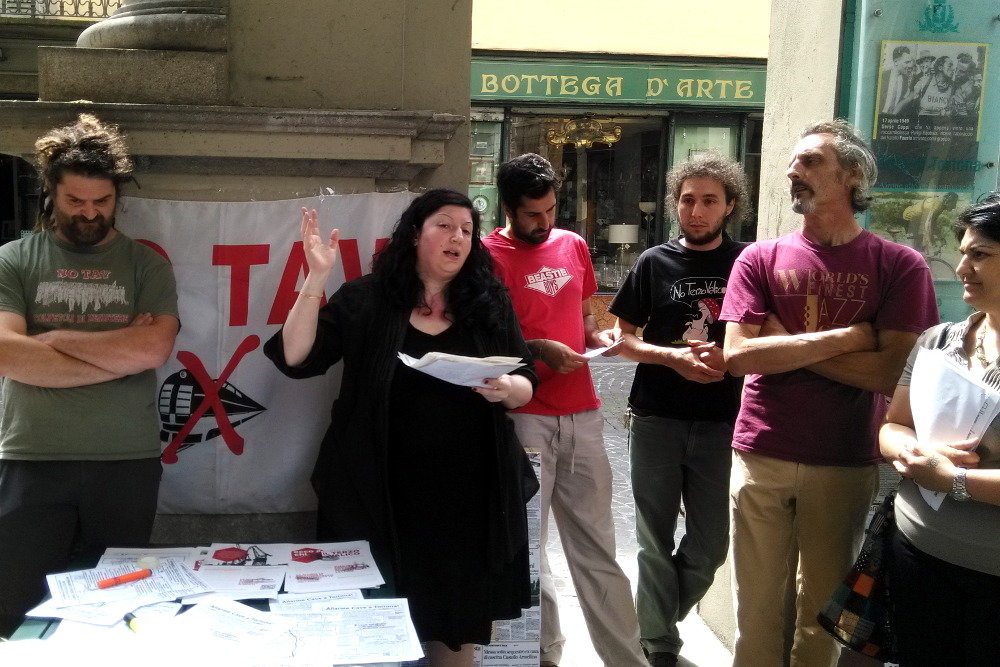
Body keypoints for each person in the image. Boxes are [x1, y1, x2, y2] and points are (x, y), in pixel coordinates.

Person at [263, 189, 538, 667]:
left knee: (453, 629)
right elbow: (295, 355)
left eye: (468, 231)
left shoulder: (486, 301)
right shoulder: (368, 298)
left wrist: (508, 387)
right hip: (375, 493)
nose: (458, 237)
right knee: (370, 628)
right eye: (445, 225)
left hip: (465, 499)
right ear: (415, 233)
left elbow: (526, 379)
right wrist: (316, 278)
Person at [719, 119, 938, 666]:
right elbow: (738, 357)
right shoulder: (759, 259)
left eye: (811, 161)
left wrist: (787, 344)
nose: (793, 171)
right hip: (761, 452)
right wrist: (847, 337)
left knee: (822, 617)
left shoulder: (898, 265)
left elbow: (892, 373)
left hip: (843, 459)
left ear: (853, 174)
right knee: (757, 615)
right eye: (794, 161)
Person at [0, 114, 180, 637]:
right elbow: (8, 357)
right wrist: (112, 353)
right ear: (51, 193)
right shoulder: (14, 259)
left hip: (126, 463)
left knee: (119, 613)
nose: (89, 213)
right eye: (75, 201)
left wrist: (54, 339)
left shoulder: (147, 266)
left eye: (101, 203)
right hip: (31, 458)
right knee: (17, 609)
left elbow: (153, 349)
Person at [483, 153, 645, 667]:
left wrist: (603, 340)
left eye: (551, 210)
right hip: (523, 416)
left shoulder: (573, 245)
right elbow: (484, 342)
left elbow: (581, 317)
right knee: (529, 549)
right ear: (509, 207)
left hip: (584, 413)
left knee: (599, 550)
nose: (545, 222)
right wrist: (540, 349)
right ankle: (544, 654)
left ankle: (626, 659)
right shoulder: (485, 256)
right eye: (533, 214)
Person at [609, 154, 750, 666]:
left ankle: (656, 617)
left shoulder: (748, 262)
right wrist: (671, 357)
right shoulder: (653, 263)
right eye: (687, 199)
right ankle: (660, 645)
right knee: (652, 537)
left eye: (709, 200)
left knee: (711, 545)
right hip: (655, 419)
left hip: (721, 423)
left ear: (729, 206)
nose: (696, 210)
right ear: (676, 202)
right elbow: (620, 339)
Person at [879, 193, 1000, 666]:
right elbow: (892, 426)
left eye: (980, 254)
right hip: (916, 554)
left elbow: (943, 474)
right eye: (963, 251)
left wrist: (950, 480)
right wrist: (911, 455)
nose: (963, 265)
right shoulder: (939, 341)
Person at [880, 45, 914, 116]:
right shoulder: (882, 76)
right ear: (896, 62)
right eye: (906, 62)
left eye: (910, 62)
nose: (910, 65)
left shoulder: (906, 80)